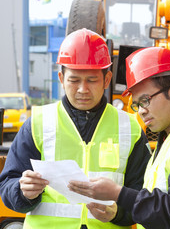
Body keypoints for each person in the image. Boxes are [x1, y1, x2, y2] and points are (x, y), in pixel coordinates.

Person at [68, 47, 170, 228]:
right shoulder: (169, 141)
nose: (141, 111)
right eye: (136, 105)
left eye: (145, 100)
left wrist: (119, 194)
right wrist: (117, 212)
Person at [0, 28, 150, 229]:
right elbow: (8, 184)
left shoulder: (130, 128)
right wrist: (23, 192)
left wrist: (118, 212)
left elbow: (145, 195)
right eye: (74, 80)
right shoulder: (37, 123)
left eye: (92, 80)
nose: (82, 89)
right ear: (62, 79)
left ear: (106, 80)